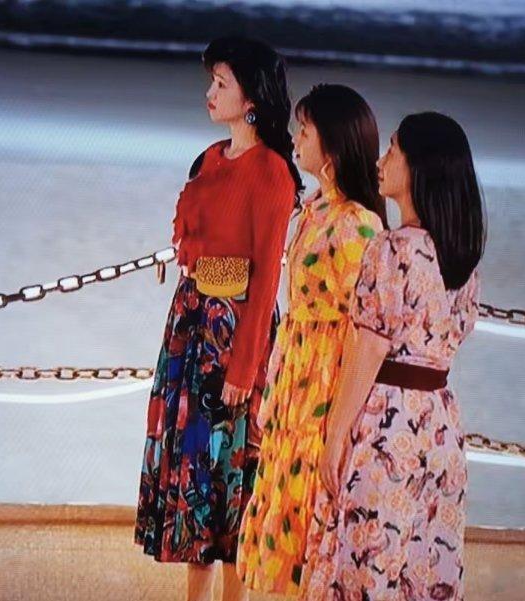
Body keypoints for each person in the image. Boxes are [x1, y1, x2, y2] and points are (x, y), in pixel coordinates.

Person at [134, 36, 303, 601]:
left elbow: (266, 278)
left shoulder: (273, 172)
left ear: (250, 97)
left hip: (233, 334)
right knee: (193, 471)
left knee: (232, 477)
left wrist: (245, 368)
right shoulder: (209, 158)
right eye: (211, 81)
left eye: (221, 83)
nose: (210, 92)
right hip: (190, 324)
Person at [301, 112, 486, 601]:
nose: (380, 161)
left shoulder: (392, 249)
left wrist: (336, 434)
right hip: (440, 426)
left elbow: (369, 348)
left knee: (365, 564)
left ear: (419, 166)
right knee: (424, 565)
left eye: (393, 151)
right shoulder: (463, 260)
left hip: (388, 423)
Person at [237, 84, 386, 596]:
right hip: (296, 374)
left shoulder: (360, 225)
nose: (296, 138)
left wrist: (344, 419)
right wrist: (274, 385)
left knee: (314, 513)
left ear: (334, 146)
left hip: (327, 380)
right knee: (286, 505)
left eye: (306, 130)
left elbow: (362, 329)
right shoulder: (316, 208)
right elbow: (295, 309)